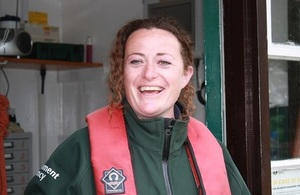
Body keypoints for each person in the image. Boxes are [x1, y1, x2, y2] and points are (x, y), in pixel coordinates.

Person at [24, 16, 250, 195]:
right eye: (136, 61)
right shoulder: (82, 149)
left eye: (163, 62)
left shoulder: (212, 149)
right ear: (122, 74)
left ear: (185, 75)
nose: (149, 74)